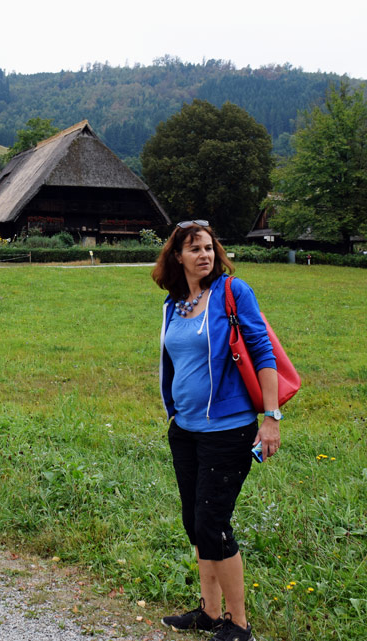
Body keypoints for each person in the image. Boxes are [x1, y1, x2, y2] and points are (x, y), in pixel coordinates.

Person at [151, 220, 280, 641]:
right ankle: (208, 613)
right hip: (185, 429)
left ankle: (239, 623)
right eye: (195, 249)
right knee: (195, 522)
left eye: (208, 247)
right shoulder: (173, 304)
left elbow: (262, 350)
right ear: (177, 257)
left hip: (229, 429)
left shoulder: (232, 292)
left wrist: (271, 418)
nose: (204, 255)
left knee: (213, 521)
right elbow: (174, 362)